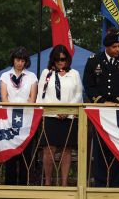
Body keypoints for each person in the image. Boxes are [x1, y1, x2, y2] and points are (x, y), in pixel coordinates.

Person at [83, 27, 119, 187]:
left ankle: (118, 184)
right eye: (115, 47)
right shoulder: (94, 61)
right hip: (101, 112)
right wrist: (101, 102)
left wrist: (118, 102)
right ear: (107, 47)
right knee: (100, 149)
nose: (118, 50)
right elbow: (88, 84)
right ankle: (100, 184)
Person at [36, 45, 83, 186]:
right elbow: (40, 95)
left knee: (66, 150)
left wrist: (67, 109)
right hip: (50, 116)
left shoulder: (74, 73)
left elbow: (79, 94)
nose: (60, 62)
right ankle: (48, 183)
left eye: (63, 59)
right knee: (49, 150)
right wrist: (53, 111)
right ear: (53, 60)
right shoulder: (46, 73)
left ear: (67, 59)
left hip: (69, 116)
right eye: (57, 59)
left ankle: (64, 183)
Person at [0, 47, 38, 185]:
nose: (20, 63)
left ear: (26, 62)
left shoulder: (32, 76)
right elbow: (4, 98)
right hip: (9, 120)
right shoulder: (4, 76)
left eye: (22, 60)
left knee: (25, 155)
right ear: (13, 60)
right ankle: (9, 186)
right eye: (17, 59)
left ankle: (24, 186)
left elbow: (32, 99)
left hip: (27, 121)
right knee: (10, 154)